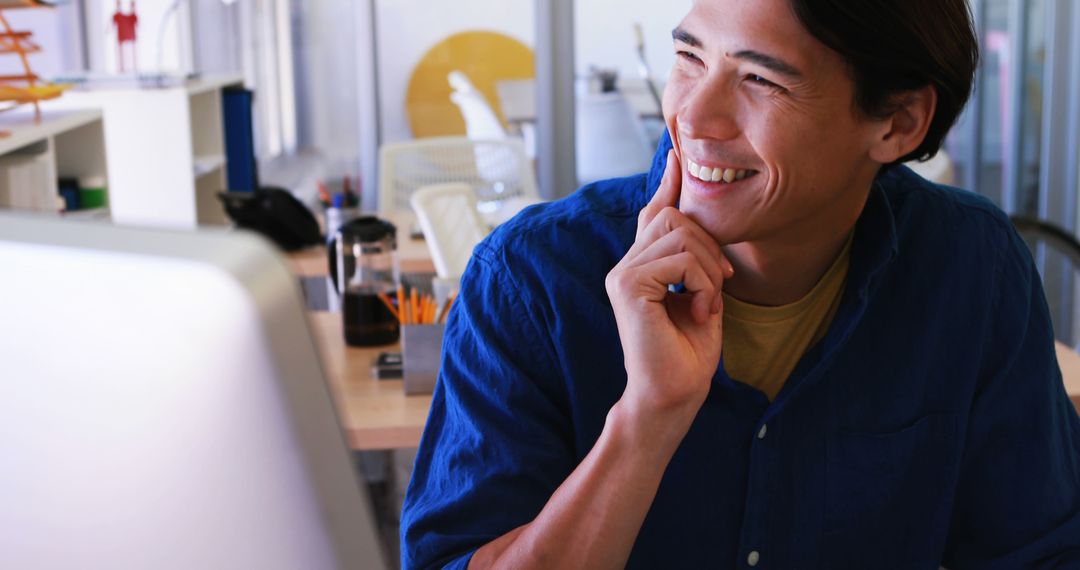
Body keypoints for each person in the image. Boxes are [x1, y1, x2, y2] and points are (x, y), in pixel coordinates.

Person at [401, 0, 1080, 567]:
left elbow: (1037, 551)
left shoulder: (971, 268)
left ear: (898, 123)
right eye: (690, 58)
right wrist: (645, 419)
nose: (694, 118)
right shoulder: (530, 279)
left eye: (761, 80)